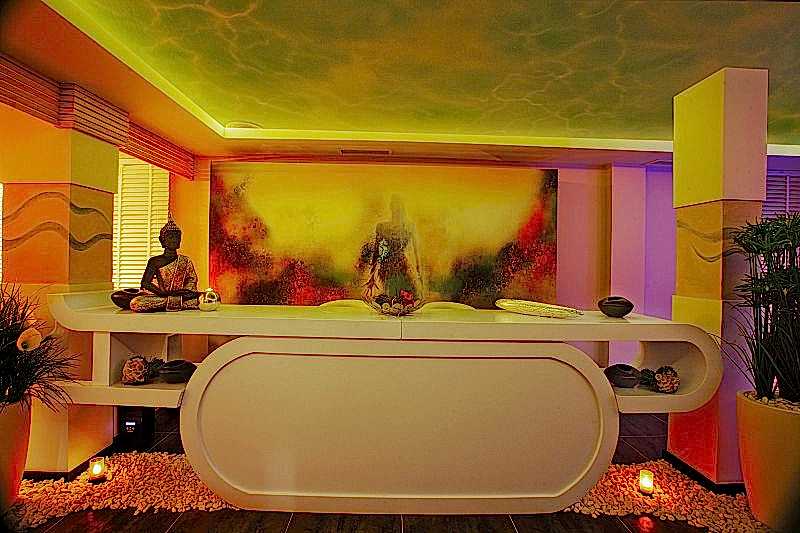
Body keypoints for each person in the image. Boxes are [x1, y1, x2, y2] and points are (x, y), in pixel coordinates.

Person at [121, 216, 200, 312]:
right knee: (137, 303)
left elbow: (192, 280)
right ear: (162, 240)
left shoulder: (185, 261)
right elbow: (145, 283)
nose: (174, 240)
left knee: (202, 298)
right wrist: (163, 293)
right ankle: (173, 302)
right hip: (161, 296)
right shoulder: (154, 261)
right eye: (170, 237)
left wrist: (185, 291)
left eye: (177, 237)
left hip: (180, 296)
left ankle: (170, 303)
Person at [362, 195, 424, 300]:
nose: (397, 210)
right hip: (387, 265)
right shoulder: (382, 227)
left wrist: (418, 271)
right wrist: (372, 274)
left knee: (410, 294)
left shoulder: (409, 226)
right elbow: (376, 250)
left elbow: (416, 250)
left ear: (402, 208)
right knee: (392, 294)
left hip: (402, 264)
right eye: (394, 207)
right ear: (391, 208)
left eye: (399, 207)